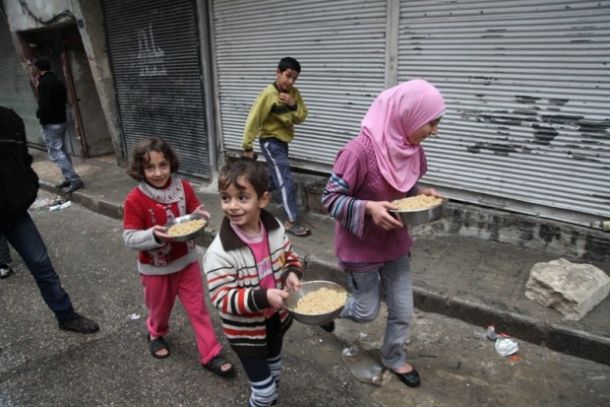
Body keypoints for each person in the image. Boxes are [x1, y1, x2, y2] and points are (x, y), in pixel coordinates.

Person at [321, 79, 446, 389]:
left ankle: (393, 357)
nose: (435, 131)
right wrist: (368, 208)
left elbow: (404, 187)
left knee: (403, 310)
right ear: (408, 114)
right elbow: (330, 198)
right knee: (366, 311)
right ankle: (325, 310)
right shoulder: (357, 153)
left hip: (396, 245)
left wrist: (420, 194)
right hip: (361, 248)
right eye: (431, 122)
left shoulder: (411, 150)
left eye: (437, 123)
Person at [122, 137, 234, 377]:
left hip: (186, 263)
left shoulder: (183, 188)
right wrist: (154, 235)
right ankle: (155, 332)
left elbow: (196, 210)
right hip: (155, 269)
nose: (158, 173)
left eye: (163, 165)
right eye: (150, 167)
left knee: (198, 309)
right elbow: (129, 238)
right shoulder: (135, 199)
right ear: (140, 170)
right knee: (160, 310)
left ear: (170, 163)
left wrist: (201, 215)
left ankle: (211, 353)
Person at [203, 158, 304, 407]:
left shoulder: (275, 229)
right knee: (264, 392)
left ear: (263, 200)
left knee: (275, 373)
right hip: (245, 333)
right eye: (226, 198)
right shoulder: (219, 252)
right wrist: (264, 297)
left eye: (242, 197)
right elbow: (222, 297)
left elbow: (289, 255)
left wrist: (291, 273)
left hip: (276, 321)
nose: (232, 206)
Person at [0, 105, 99, 333]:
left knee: (41, 265)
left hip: (14, 213)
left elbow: (23, 160)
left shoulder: (9, 119)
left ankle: (66, 315)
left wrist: (28, 188)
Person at [241, 56, 311, 237]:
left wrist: (292, 104)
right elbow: (254, 119)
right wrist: (247, 146)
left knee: (273, 179)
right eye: (288, 76)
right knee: (285, 179)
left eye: (294, 78)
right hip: (270, 142)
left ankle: (248, 197)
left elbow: (302, 116)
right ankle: (292, 220)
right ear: (278, 73)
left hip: (283, 142)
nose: (291, 81)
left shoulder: (294, 93)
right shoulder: (268, 94)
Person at [32, 56, 84, 194]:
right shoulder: (56, 80)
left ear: (38, 68)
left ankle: (74, 179)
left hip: (51, 122)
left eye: (34, 66)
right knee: (62, 150)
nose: (33, 69)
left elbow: (45, 104)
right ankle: (68, 177)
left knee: (56, 152)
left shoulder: (44, 83)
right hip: (61, 119)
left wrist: (42, 120)